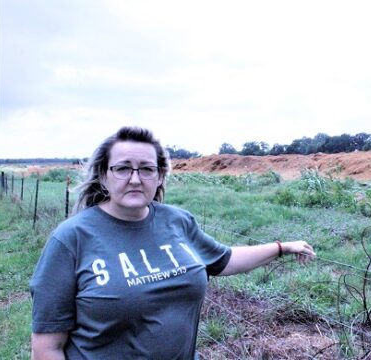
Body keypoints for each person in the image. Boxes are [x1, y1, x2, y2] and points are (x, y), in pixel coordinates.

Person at [30, 126, 316, 360]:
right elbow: (47, 348)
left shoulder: (177, 221)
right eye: (122, 169)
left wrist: (280, 247)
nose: (134, 179)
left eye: (146, 169)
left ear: (160, 176)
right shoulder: (71, 239)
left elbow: (223, 259)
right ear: (104, 176)